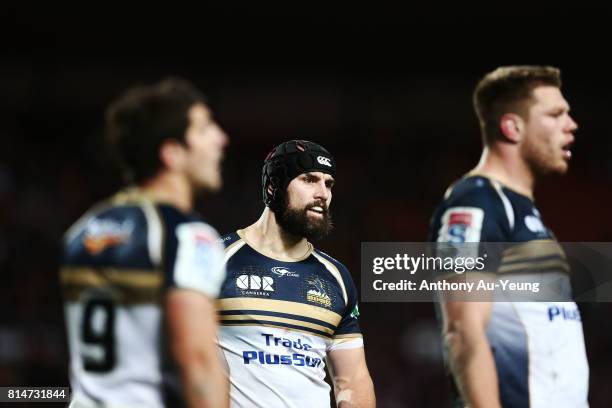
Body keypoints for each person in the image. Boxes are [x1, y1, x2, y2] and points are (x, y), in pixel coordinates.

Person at [60, 78, 229, 408]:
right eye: (205, 128)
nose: (221, 139)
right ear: (172, 153)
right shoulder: (188, 236)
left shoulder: (82, 230)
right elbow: (198, 361)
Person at [428, 66, 589, 408]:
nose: (571, 124)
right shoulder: (477, 203)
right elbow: (463, 331)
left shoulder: (523, 212)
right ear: (512, 127)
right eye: (556, 114)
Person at [217, 140, 375, 407]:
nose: (322, 193)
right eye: (309, 179)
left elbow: (353, 380)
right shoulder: (216, 259)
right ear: (273, 187)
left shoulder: (336, 276)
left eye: (328, 184)